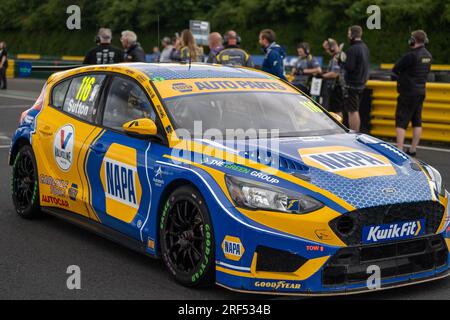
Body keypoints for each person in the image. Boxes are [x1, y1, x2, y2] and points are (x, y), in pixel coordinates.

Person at [392, 30, 432, 156]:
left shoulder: (410, 55)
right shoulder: (428, 56)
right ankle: (413, 149)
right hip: (421, 92)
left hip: (407, 92)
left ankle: (399, 148)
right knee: (417, 120)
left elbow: (396, 68)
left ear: (413, 41)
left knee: (401, 120)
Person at [342, 25, 370, 132]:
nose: (348, 36)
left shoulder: (352, 49)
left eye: (348, 33)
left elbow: (349, 67)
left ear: (352, 35)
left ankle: (354, 133)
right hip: (362, 83)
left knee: (352, 111)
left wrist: (341, 62)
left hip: (353, 84)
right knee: (355, 109)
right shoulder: (365, 47)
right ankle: (355, 132)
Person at [320, 38, 345, 117]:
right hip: (333, 86)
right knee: (333, 109)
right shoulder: (336, 56)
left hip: (337, 86)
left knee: (337, 109)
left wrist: (322, 76)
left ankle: (339, 127)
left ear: (332, 48)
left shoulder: (338, 57)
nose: (326, 51)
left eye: (327, 49)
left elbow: (335, 73)